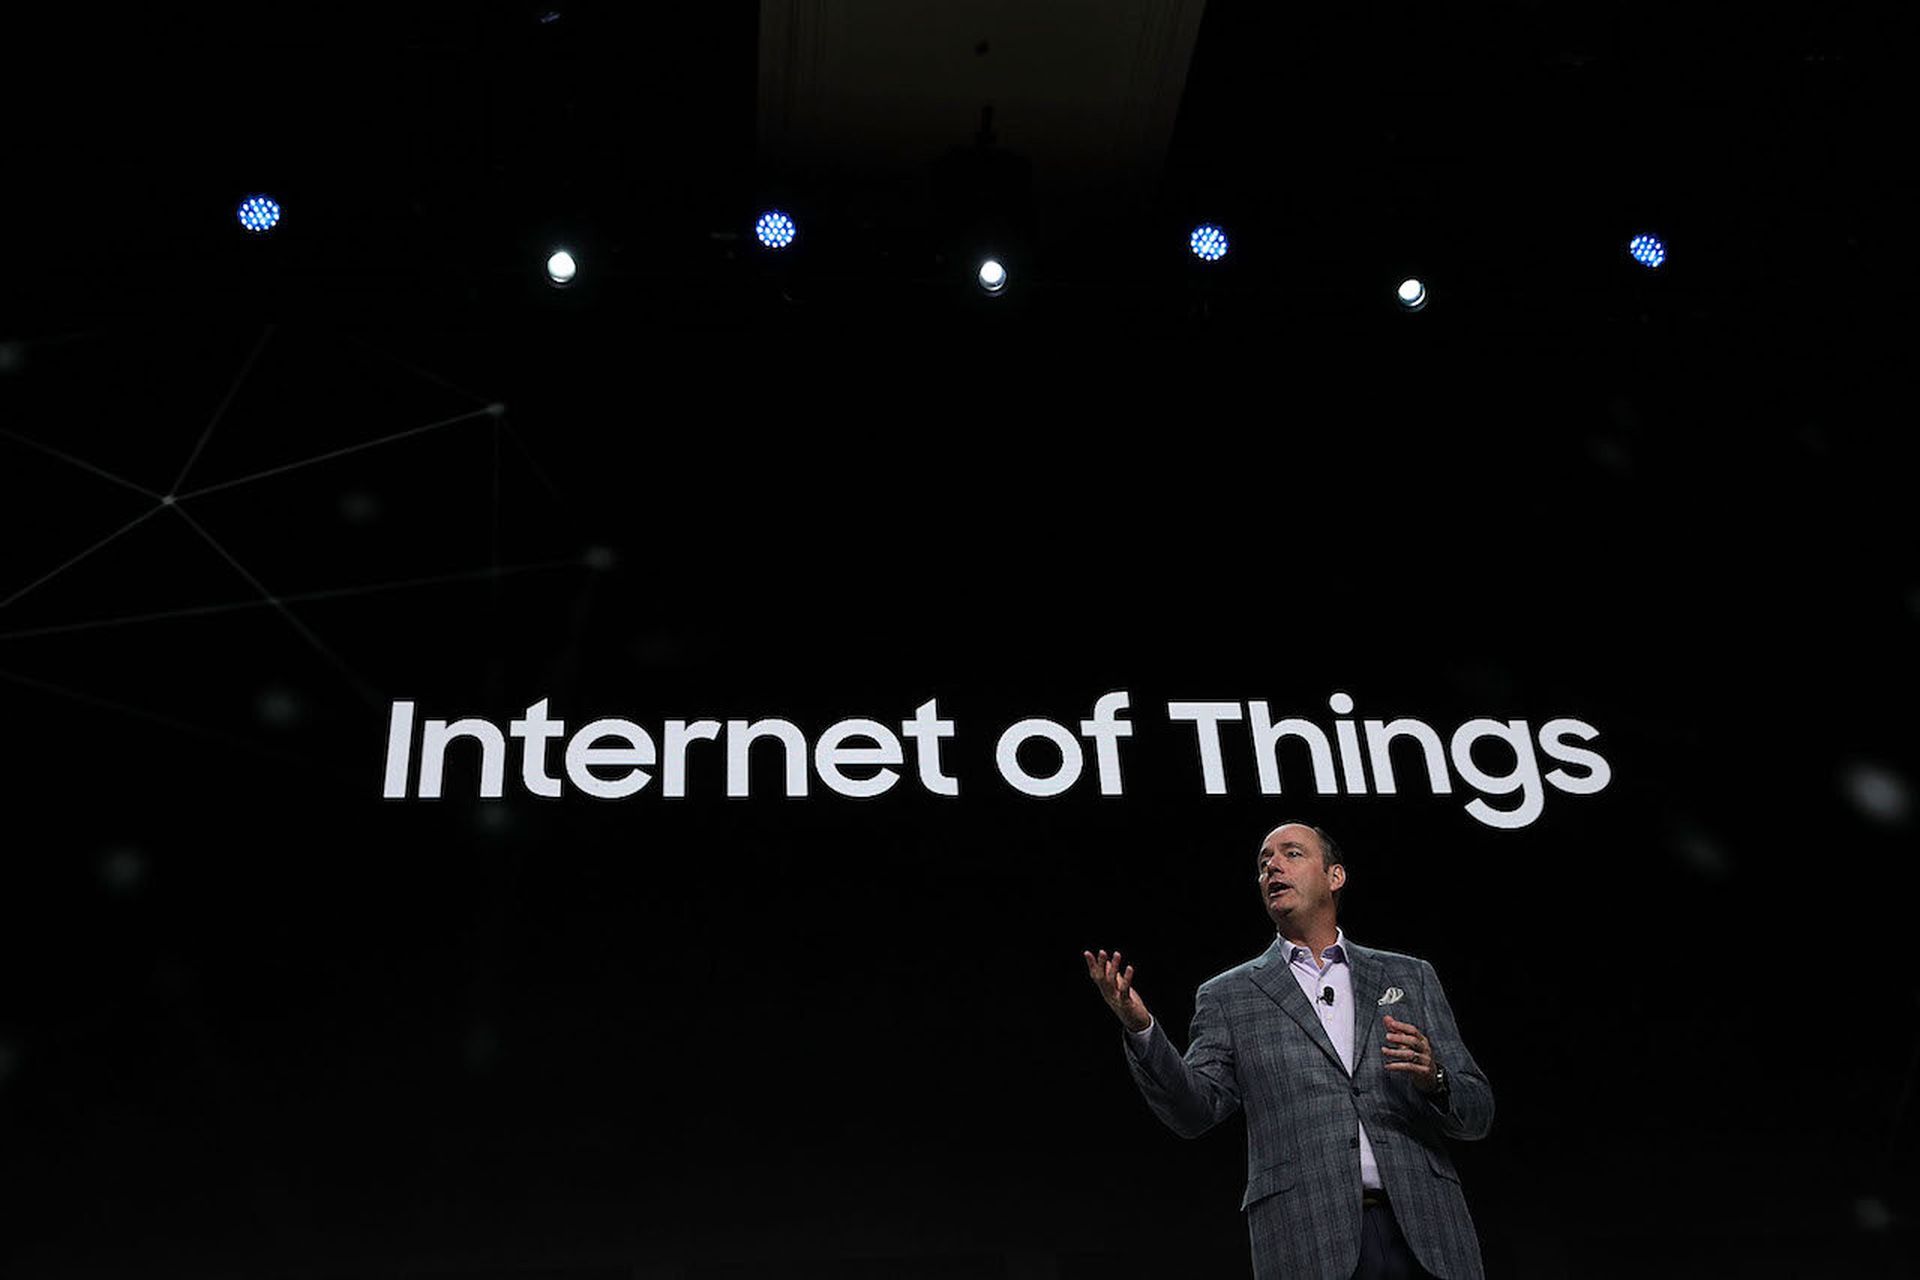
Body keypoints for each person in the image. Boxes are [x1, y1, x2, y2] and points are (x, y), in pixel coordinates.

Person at [1084, 822, 1492, 1280]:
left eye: (1291, 854)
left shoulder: (1410, 976)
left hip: (1427, 1232)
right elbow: (1194, 1111)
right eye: (1263, 863)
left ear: (1335, 877)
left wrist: (1435, 1078)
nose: (1272, 867)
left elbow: (1477, 1113)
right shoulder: (1229, 996)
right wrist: (1142, 1029)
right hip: (1306, 1237)